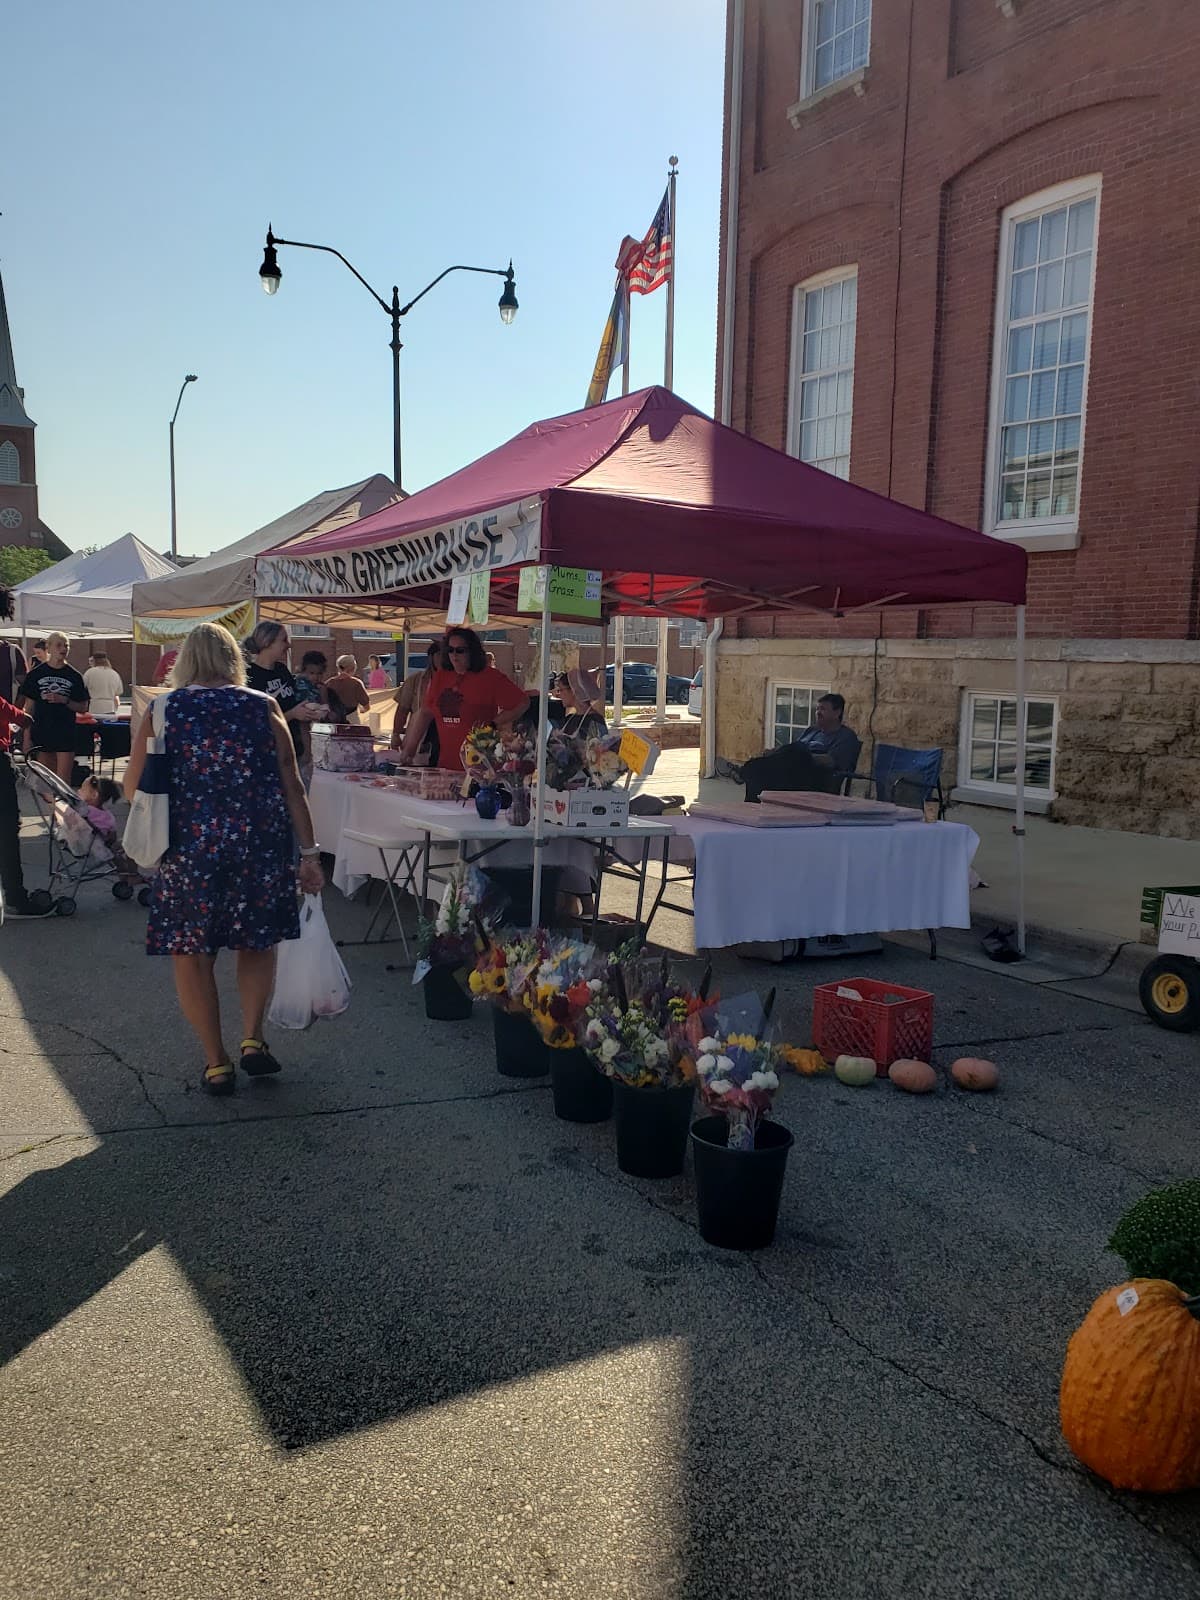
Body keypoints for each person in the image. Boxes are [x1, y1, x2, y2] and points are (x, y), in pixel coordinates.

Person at [124, 622, 324, 1096]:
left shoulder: (163, 709)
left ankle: (216, 1063)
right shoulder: (264, 706)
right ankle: (252, 1038)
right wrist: (310, 854)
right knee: (256, 942)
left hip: (189, 849)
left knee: (192, 954)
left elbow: (133, 787)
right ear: (235, 659)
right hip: (259, 844)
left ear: (185, 661)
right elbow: (292, 785)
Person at [398, 626, 529, 772]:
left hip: (479, 768)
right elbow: (425, 713)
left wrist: (493, 724)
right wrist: (410, 749)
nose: (454, 655)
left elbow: (522, 703)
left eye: (460, 650)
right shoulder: (442, 676)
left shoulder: (490, 677)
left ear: (472, 651)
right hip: (445, 765)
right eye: (450, 650)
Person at [0, 589, 51, 918]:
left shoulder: (10, 653)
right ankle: (16, 897)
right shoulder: (8, 653)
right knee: (6, 824)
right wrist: (19, 718)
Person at [720, 693, 863, 803]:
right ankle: (750, 799)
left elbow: (832, 762)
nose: (818, 712)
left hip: (815, 778)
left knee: (797, 751)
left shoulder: (845, 736)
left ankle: (741, 772)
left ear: (837, 713)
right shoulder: (812, 731)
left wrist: (806, 756)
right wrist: (777, 752)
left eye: (823, 709)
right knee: (760, 771)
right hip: (792, 772)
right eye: (817, 709)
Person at [242, 621, 323, 759]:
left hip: (293, 750)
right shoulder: (249, 676)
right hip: (267, 755)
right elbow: (255, 723)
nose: (288, 644)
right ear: (268, 642)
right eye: (284, 640)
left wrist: (310, 711)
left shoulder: (282, 670)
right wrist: (292, 714)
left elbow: (295, 706)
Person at [19, 631, 89, 783]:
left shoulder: (74, 676)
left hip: (65, 732)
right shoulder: (36, 674)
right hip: (42, 730)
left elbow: (83, 707)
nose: (63, 649)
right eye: (58, 645)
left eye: (66, 646)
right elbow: (29, 708)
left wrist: (65, 700)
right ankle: (50, 807)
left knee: (63, 782)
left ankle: (62, 807)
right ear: (48, 648)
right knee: (46, 782)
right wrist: (26, 738)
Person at [390, 641, 441, 760]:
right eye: (440, 654)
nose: (445, 658)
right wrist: (396, 734)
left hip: (446, 733)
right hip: (420, 734)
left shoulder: (457, 681)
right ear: (431, 657)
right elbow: (403, 709)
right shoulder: (416, 680)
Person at [555, 668, 607, 740]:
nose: (559, 695)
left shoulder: (595, 721)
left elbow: (599, 748)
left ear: (573, 690)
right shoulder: (570, 718)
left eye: (560, 690)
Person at [324, 655, 371, 724]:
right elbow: (366, 706)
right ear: (353, 668)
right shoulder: (356, 683)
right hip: (351, 720)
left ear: (338, 667)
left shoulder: (329, 683)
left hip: (332, 720)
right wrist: (362, 711)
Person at [83, 651, 124, 718]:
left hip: (94, 707)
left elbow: (82, 687)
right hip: (110, 707)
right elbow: (119, 691)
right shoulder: (114, 673)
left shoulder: (90, 672)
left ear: (94, 661)